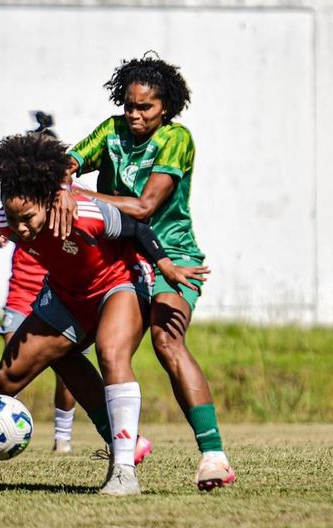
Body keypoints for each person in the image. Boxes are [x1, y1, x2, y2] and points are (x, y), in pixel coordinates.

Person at [0, 131, 207, 496]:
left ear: (47, 201)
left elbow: (137, 228)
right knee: (7, 375)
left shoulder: (85, 213)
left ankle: (124, 474)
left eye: (27, 218)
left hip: (118, 283)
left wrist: (164, 265)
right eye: (13, 218)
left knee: (111, 353)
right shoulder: (9, 218)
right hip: (67, 296)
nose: (20, 228)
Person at [52, 54, 236, 491]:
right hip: (119, 259)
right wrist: (61, 182)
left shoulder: (176, 139)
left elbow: (145, 206)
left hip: (172, 255)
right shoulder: (111, 131)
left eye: (145, 107)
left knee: (166, 340)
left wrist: (80, 195)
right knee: (67, 348)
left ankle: (214, 457)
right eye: (129, 106)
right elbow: (66, 163)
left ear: (165, 107)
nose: (134, 115)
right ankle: (124, 440)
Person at [0, 245, 78, 453]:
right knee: (10, 365)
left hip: (61, 294)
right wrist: (0, 235)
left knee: (69, 372)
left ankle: (62, 439)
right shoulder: (17, 222)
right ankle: (1, 432)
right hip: (22, 291)